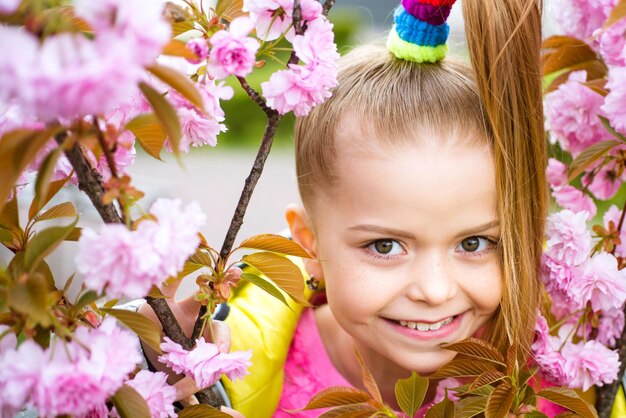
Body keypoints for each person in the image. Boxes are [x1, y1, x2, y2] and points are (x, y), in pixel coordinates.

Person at [141, 0, 549, 416]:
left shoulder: (551, 387)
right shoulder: (247, 372)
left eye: (475, 242)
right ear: (309, 246)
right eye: (386, 246)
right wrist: (161, 361)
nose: (435, 291)